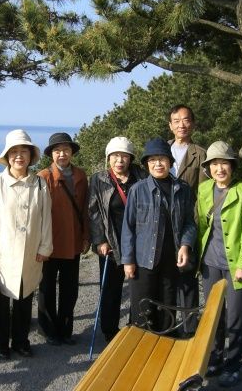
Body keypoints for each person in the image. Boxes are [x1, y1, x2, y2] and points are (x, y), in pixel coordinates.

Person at [0, 129, 53, 360]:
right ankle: (0, 344)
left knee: (24, 299)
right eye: (14, 152)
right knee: (0, 302)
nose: (19, 156)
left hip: (30, 253)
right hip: (1, 254)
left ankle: (21, 341)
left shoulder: (39, 184)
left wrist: (45, 247)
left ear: (30, 156)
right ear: (7, 156)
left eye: (24, 151)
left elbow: (46, 219)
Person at [196, 141, 242, 388]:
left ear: (232, 166)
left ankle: (234, 365)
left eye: (224, 163)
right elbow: (201, 226)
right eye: (214, 164)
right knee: (213, 316)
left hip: (236, 266)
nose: (219, 168)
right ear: (208, 168)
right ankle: (215, 359)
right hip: (210, 263)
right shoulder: (204, 190)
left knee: (235, 317)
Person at [121, 138, 196, 333]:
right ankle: (142, 346)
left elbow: (189, 222)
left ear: (170, 162)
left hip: (171, 260)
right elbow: (128, 228)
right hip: (143, 260)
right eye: (152, 160)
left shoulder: (183, 189)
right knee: (142, 309)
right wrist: (128, 260)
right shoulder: (138, 190)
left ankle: (166, 343)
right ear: (147, 164)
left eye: (162, 159)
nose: (157, 164)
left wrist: (185, 245)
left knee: (167, 307)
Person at [88, 137, 147, 343]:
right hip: (111, 243)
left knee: (138, 288)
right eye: (115, 156)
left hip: (138, 243)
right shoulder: (99, 179)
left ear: (131, 158)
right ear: (108, 158)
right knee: (110, 290)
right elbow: (94, 212)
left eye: (124, 156)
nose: (119, 160)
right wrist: (100, 240)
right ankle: (109, 331)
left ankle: (136, 327)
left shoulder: (142, 177)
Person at [37, 132, 90, 345]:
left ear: (71, 152)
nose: (62, 154)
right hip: (49, 244)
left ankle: (65, 330)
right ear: (51, 154)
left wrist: (86, 236)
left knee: (70, 289)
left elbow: (85, 209)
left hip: (73, 242)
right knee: (47, 289)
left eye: (66, 150)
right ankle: (49, 331)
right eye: (57, 150)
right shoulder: (43, 177)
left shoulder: (80, 176)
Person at [167, 104, 207, 334]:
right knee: (166, 278)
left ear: (193, 123)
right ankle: (168, 326)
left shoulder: (200, 154)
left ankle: (190, 328)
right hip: (163, 223)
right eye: (176, 121)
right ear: (170, 125)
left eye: (186, 120)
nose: (181, 125)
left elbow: (203, 194)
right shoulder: (161, 150)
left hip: (187, 222)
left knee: (187, 277)